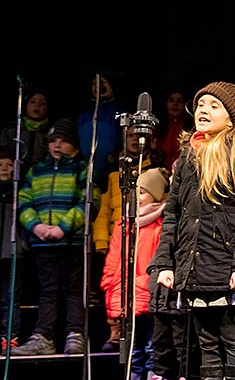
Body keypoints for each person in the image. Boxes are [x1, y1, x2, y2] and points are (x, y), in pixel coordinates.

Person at [153, 82, 235, 380]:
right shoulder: (189, 156)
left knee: (233, 340)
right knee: (205, 343)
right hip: (195, 267)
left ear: (231, 117)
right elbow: (173, 214)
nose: (203, 109)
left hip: (227, 266)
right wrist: (165, 262)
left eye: (214, 106)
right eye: (201, 104)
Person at [12, 119, 98, 356]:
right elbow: (24, 201)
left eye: (64, 141)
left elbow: (90, 202)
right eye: (53, 140)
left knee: (74, 289)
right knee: (48, 290)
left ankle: (76, 334)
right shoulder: (36, 170)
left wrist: (62, 226)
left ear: (75, 146)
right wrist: (36, 226)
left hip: (72, 241)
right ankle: (45, 336)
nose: (57, 145)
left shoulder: (81, 169)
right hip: (43, 242)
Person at [101, 167, 170, 380]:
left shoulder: (162, 224)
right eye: (135, 191)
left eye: (143, 192)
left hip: (149, 296)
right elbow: (113, 263)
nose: (137, 196)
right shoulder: (124, 225)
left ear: (157, 195)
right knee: (133, 352)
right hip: (128, 296)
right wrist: (111, 294)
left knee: (152, 350)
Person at [93, 124, 163, 352]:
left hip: (145, 284)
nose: (135, 140)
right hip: (122, 231)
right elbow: (104, 208)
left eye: (139, 137)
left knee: (149, 345)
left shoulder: (154, 172)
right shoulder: (113, 171)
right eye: (131, 136)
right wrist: (100, 239)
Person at [0, 149, 23, 352]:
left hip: (10, 251)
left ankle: (9, 336)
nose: (4, 169)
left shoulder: (18, 192)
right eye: (0, 165)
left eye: (8, 165)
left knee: (10, 296)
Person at [0, 89, 50, 176]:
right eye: (32, 102)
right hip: (13, 178)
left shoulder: (51, 133)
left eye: (42, 103)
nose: (37, 106)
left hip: (40, 177)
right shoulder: (11, 131)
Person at [156, 89, 193, 170]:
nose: (175, 104)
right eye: (171, 100)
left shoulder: (192, 128)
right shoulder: (157, 127)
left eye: (180, 101)